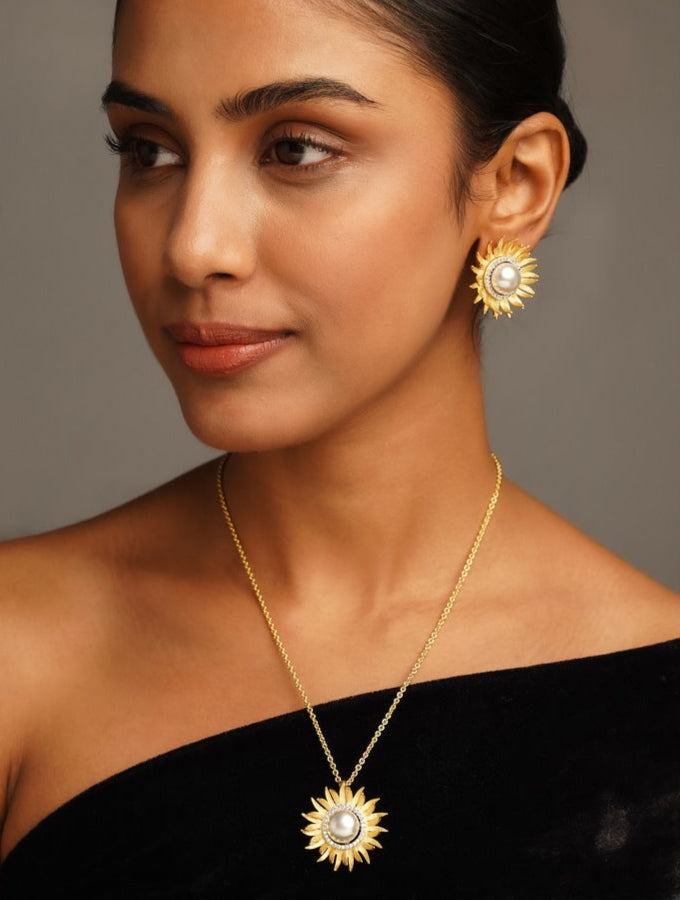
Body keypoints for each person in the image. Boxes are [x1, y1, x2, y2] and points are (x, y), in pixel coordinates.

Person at [0, 0, 677, 896]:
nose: (193, 247)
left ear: (515, 184)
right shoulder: (19, 651)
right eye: (149, 150)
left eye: (295, 149)